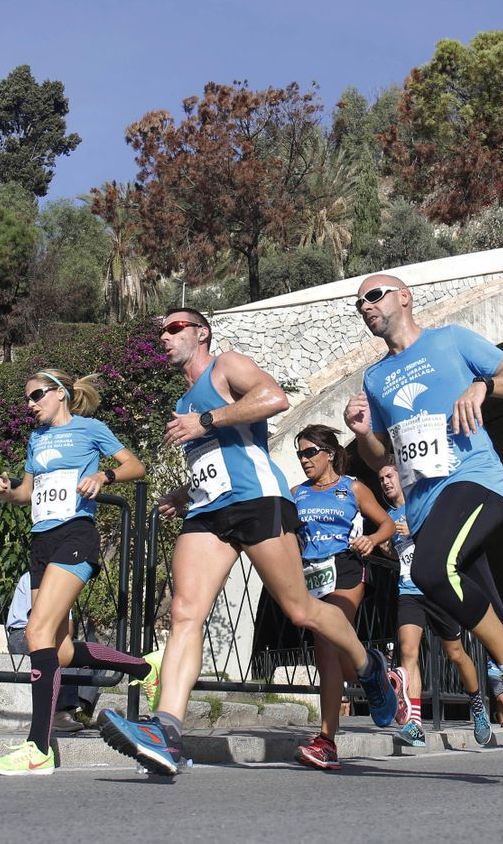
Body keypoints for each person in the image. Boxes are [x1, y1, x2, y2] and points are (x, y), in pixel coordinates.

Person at [99, 309, 406, 775]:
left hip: (258, 501)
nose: (164, 335)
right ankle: (167, 733)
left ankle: (371, 669)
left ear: (201, 333)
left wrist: (208, 418)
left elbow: (274, 398)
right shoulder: (183, 404)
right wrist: (186, 492)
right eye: (160, 330)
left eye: (175, 327)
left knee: (301, 610)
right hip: (208, 511)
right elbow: (217, 457)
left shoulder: (226, 366)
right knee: (186, 613)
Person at [344, 274, 503, 782]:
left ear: (404, 297)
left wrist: (482, 385)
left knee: (434, 570)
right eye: (358, 303)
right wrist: (362, 434)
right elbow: (382, 458)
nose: (364, 306)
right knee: (495, 621)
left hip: (474, 482)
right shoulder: (374, 379)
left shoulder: (451, 340)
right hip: (427, 507)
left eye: (373, 295)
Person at [0, 369, 151, 775]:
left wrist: (102, 476)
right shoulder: (36, 439)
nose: (31, 404)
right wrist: (8, 493)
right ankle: (144, 668)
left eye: (37, 395)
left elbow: (136, 466)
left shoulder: (90, 428)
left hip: (75, 534)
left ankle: (38, 747)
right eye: (27, 399)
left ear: (60, 393)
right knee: (55, 648)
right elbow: (27, 492)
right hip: (40, 541)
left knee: (35, 632)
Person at [290, 423, 397, 768]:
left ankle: (326, 741)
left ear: (330, 454)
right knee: (340, 663)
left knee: (325, 647)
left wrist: (372, 539)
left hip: (347, 568)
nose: (304, 460)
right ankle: (379, 670)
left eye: (309, 453)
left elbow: (387, 524)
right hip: (311, 574)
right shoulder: (296, 493)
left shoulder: (352, 488)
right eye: (300, 454)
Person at [382, 463, 494, 748]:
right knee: (408, 652)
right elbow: (400, 555)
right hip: (408, 589)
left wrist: (417, 530)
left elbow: (446, 539)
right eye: (381, 478)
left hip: (435, 588)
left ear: (402, 476)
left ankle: (478, 707)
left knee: (455, 653)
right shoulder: (387, 519)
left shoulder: (426, 504)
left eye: (390, 475)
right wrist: (388, 547)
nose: (385, 482)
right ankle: (415, 724)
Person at [4, 571, 96, 733]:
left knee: (92, 653)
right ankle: (59, 712)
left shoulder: (63, 582)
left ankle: (80, 708)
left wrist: (64, 636)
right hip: (22, 633)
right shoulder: (34, 577)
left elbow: (67, 627)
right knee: (59, 650)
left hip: (50, 632)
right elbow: (37, 622)